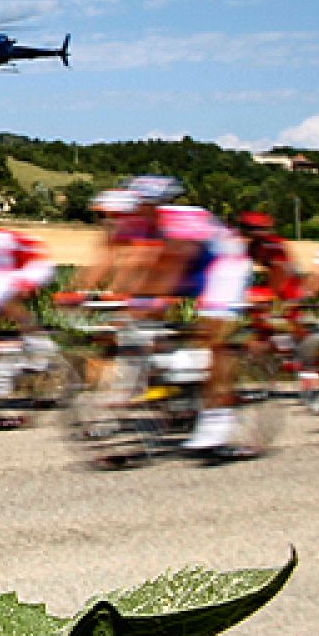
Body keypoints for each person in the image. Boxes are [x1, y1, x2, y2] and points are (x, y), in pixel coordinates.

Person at [127, 176, 254, 453]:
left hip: (226, 267)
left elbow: (174, 264)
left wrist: (151, 294)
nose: (136, 208)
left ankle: (217, 417)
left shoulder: (180, 219)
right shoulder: (144, 225)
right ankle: (178, 383)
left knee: (214, 336)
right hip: (196, 267)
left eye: (141, 203)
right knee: (147, 314)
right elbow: (144, 265)